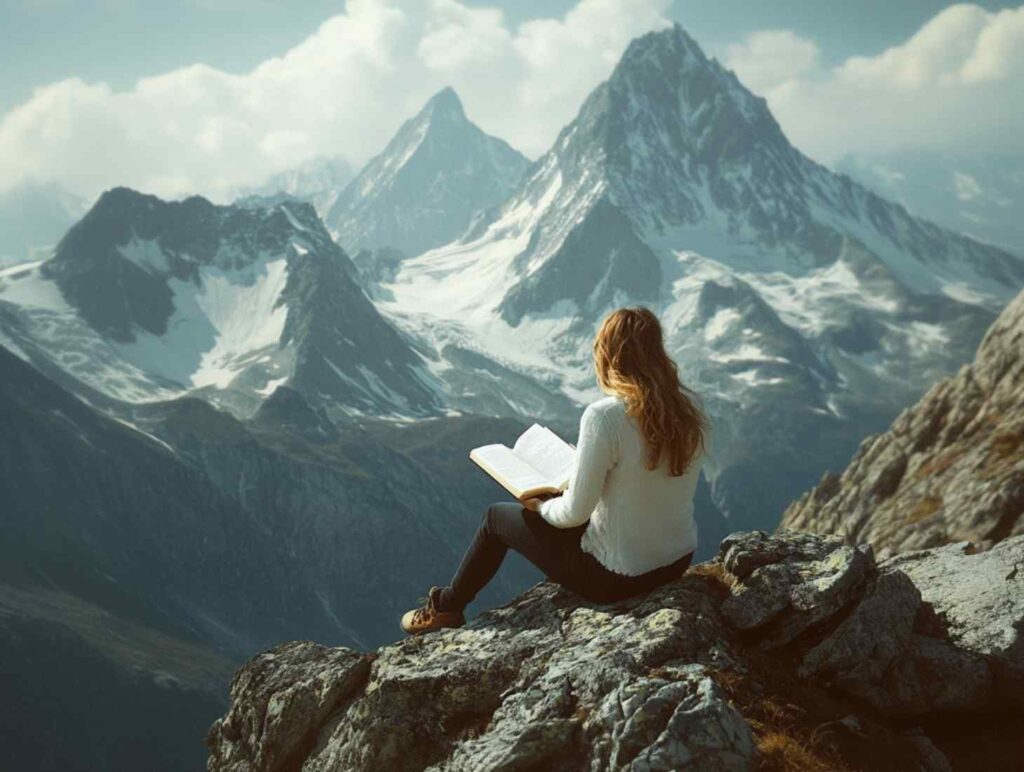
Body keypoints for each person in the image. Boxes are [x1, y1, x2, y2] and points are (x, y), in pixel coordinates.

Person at [400, 306, 710, 635]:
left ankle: (446, 608)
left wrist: (541, 505)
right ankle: (447, 606)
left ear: (607, 356)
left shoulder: (605, 416)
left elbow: (574, 515)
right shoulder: (691, 408)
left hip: (618, 578)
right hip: (675, 561)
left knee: (495, 519)